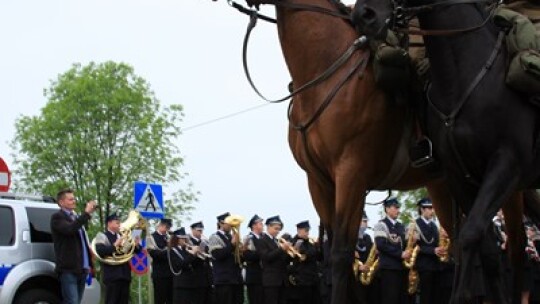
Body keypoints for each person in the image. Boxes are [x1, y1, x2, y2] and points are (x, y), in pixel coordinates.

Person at [50, 188, 97, 304]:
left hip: (82, 269)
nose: (74, 201)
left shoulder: (75, 217)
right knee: (72, 301)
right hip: (68, 269)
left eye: (74, 199)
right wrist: (86, 214)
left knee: (77, 301)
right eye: (70, 199)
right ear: (61, 202)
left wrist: (90, 263)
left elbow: (82, 241)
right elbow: (69, 230)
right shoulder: (58, 217)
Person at [94, 212, 142, 304]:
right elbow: (100, 251)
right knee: (112, 301)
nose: (119, 223)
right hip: (112, 275)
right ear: (109, 223)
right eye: (116, 221)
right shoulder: (102, 235)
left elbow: (132, 252)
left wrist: (136, 245)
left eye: (119, 221)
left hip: (124, 274)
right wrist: (115, 245)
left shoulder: (123, 236)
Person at [373, 197, 409, 304]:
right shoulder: (381, 224)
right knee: (390, 298)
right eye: (395, 207)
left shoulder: (400, 226)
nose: (398, 210)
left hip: (401, 268)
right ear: (387, 209)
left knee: (402, 298)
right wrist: (400, 254)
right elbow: (381, 245)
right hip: (388, 268)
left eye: (398, 208)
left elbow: (403, 244)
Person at [208, 212, 244, 304]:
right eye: (229, 223)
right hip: (223, 280)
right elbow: (218, 255)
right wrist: (231, 244)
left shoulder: (232, 236)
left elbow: (238, 259)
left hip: (236, 279)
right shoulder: (214, 237)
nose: (232, 225)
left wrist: (242, 252)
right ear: (221, 223)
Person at [414, 198, 444, 304]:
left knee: (436, 295)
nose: (432, 211)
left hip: (436, 265)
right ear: (422, 209)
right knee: (425, 295)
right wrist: (433, 250)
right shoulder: (415, 224)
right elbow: (415, 247)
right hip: (424, 265)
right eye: (429, 208)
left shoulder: (434, 225)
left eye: (432, 208)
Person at [257, 215, 292, 304]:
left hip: (282, 280)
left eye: (279, 229)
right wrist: (281, 249)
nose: (278, 231)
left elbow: (283, 260)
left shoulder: (276, 241)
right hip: (271, 281)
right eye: (276, 229)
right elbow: (266, 257)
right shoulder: (262, 240)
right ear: (268, 227)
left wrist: (290, 253)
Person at [287, 220, 319, 304]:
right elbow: (303, 255)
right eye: (306, 231)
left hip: (312, 279)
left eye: (308, 230)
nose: (308, 233)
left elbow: (316, 254)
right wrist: (312, 251)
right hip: (302, 279)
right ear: (299, 231)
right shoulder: (295, 242)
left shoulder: (309, 242)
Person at [169, 227, 201, 304]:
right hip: (181, 284)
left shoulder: (185, 249)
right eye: (182, 238)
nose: (184, 240)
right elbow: (181, 264)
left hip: (191, 283)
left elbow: (193, 264)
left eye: (184, 238)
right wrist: (192, 254)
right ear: (176, 239)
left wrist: (196, 254)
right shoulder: (173, 251)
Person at [147, 218, 174, 304]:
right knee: (160, 299)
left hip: (171, 273)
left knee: (172, 299)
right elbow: (155, 254)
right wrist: (169, 248)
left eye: (169, 228)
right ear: (160, 225)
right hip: (160, 274)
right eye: (166, 227)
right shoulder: (151, 237)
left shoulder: (169, 237)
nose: (167, 230)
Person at [189, 221, 213, 304]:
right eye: (198, 230)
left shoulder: (205, 242)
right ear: (192, 230)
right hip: (196, 277)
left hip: (207, 277)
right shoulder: (189, 242)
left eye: (201, 230)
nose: (201, 232)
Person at [243, 214, 264, 304]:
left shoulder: (263, 237)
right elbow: (248, 256)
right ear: (254, 226)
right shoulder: (248, 238)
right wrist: (264, 252)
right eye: (260, 224)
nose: (262, 226)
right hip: (254, 276)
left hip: (263, 276)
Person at [355, 212, 376, 304]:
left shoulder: (367, 237)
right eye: (364, 221)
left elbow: (372, 253)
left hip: (367, 273)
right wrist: (358, 266)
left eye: (366, 221)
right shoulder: (351, 237)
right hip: (355, 276)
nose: (366, 224)